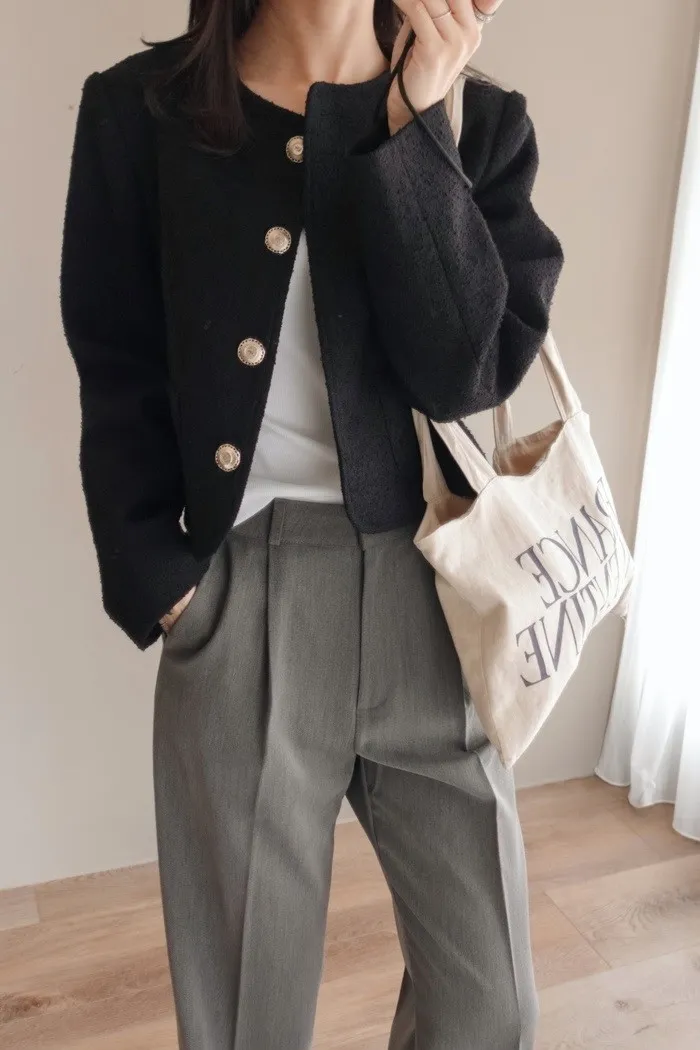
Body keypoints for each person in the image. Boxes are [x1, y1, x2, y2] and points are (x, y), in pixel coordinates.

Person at [61, 1, 563, 1047]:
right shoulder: (138, 113)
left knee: (490, 1007)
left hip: (432, 600)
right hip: (242, 602)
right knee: (248, 1014)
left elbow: (464, 373)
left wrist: (415, 123)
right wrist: (166, 584)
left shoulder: (479, 121)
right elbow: (115, 361)